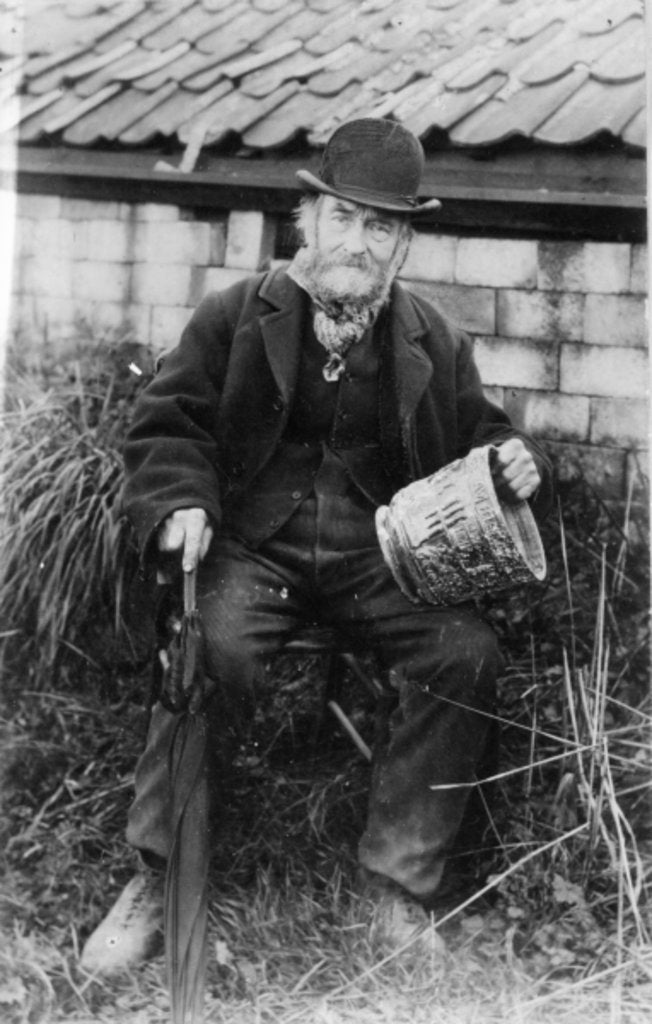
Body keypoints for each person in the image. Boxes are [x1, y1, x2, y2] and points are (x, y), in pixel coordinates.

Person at [80, 118, 553, 974]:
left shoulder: (433, 340)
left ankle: (398, 886)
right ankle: (158, 872)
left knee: (464, 653)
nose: (360, 242)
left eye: (382, 226)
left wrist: (514, 461)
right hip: (254, 552)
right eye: (345, 218)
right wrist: (183, 503)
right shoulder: (235, 315)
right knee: (205, 648)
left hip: (381, 556)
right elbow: (167, 425)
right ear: (311, 219)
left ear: (404, 242)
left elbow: (481, 439)